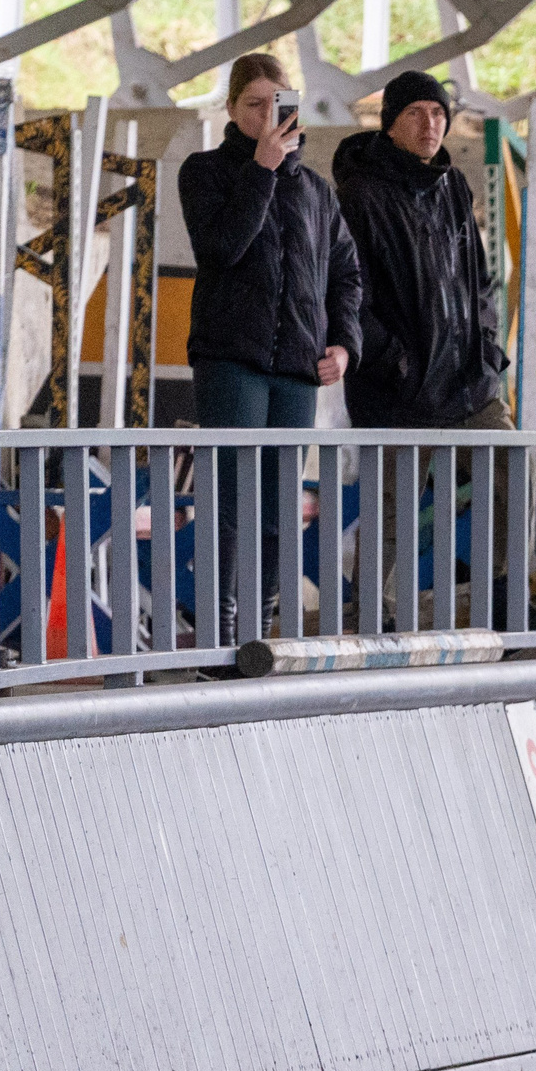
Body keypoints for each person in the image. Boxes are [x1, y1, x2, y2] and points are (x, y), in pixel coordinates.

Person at [178, 52, 363, 650]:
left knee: (282, 504)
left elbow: (345, 274)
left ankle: (261, 635)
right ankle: (218, 633)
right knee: (231, 498)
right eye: (253, 104)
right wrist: (260, 170)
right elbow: (222, 249)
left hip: (296, 367)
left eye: (276, 104)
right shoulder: (204, 171)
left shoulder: (315, 190)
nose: (266, 115)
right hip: (231, 356)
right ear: (232, 110)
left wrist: (344, 342)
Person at [332, 71, 512, 622]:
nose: (430, 123)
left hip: (467, 378)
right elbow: (349, 292)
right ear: (390, 124)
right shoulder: (359, 196)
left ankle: (503, 595)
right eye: (415, 113)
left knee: (515, 465)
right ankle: (372, 611)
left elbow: (478, 277)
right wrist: (399, 364)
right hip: (400, 387)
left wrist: (486, 348)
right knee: (392, 505)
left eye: (438, 113)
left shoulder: (451, 185)